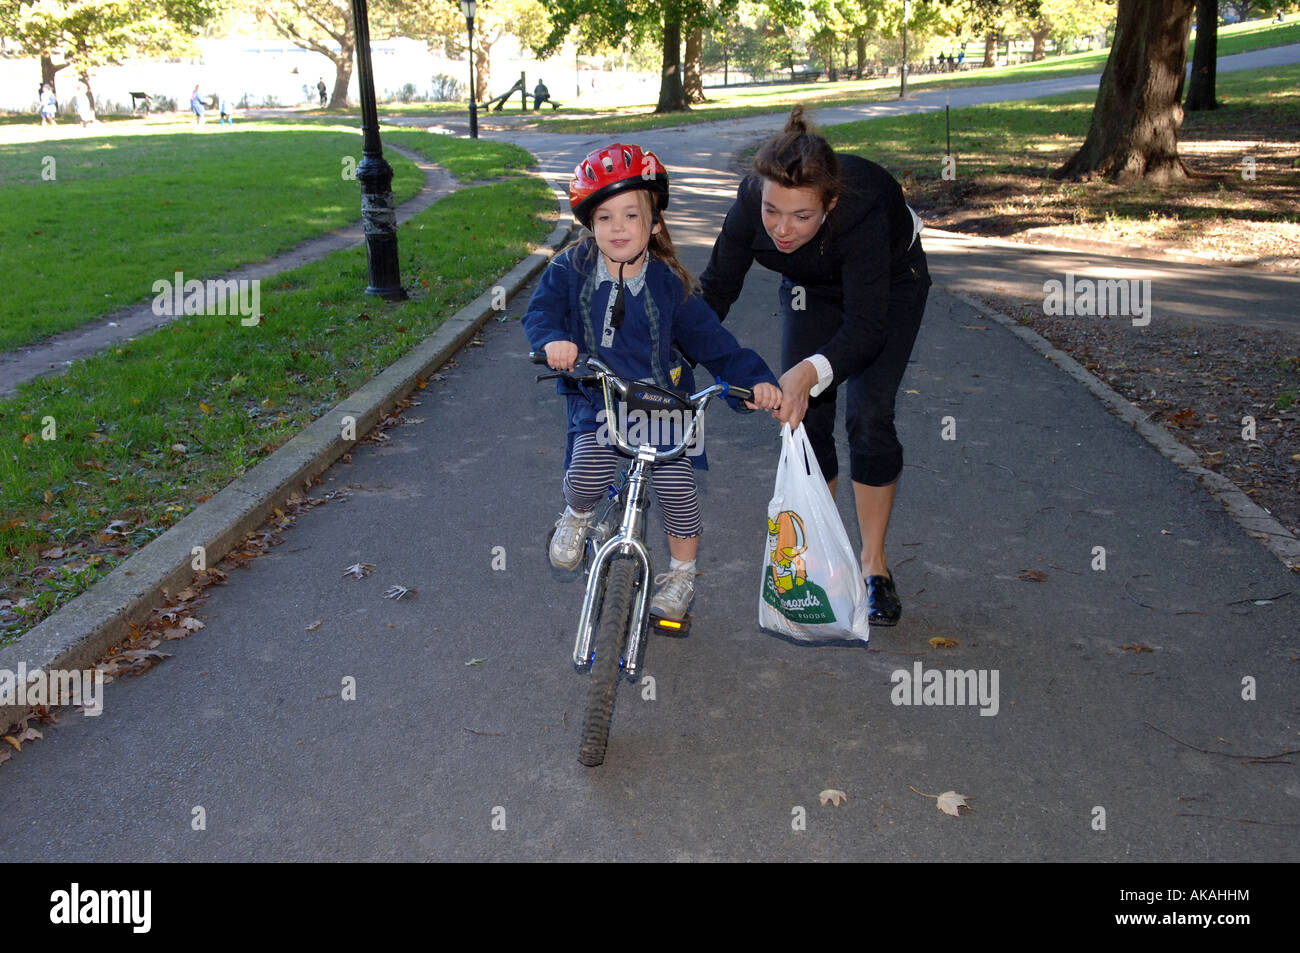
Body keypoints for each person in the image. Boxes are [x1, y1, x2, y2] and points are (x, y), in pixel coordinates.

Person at [524, 143, 782, 620]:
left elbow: (715, 343)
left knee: (679, 491)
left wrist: (756, 383)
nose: (617, 228)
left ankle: (681, 577)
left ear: (655, 223)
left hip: (661, 404)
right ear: (589, 224)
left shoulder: (671, 286)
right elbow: (540, 313)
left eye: (630, 215)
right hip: (598, 392)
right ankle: (577, 515)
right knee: (589, 469)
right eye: (604, 218)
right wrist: (554, 341)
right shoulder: (570, 268)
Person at [698, 105, 931, 627]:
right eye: (772, 211)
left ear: (829, 203)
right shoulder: (749, 206)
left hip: (888, 288)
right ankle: (826, 561)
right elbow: (714, 292)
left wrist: (809, 370)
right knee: (807, 421)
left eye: (801, 216)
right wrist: (666, 352)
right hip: (810, 290)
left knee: (868, 418)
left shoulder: (863, 209)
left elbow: (868, 327)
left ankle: (874, 566)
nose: (782, 229)